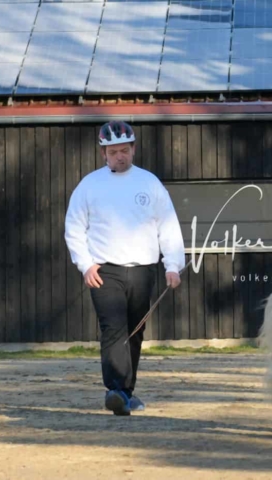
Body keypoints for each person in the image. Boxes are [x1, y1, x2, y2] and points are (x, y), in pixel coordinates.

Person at [65, 121, 185, 416]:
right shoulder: (90, 185)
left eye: (125, 150)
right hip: (105, 271)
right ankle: (115, 389)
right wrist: (85, 264)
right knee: (113, 329)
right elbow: (74, 227)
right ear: (104, 153)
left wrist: (173, 265)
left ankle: (126, 393)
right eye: (113, 151)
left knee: (135, 329)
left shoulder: (149, 183)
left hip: (143, 269)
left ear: (133, 149)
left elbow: (167, 225)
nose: (120, 156)